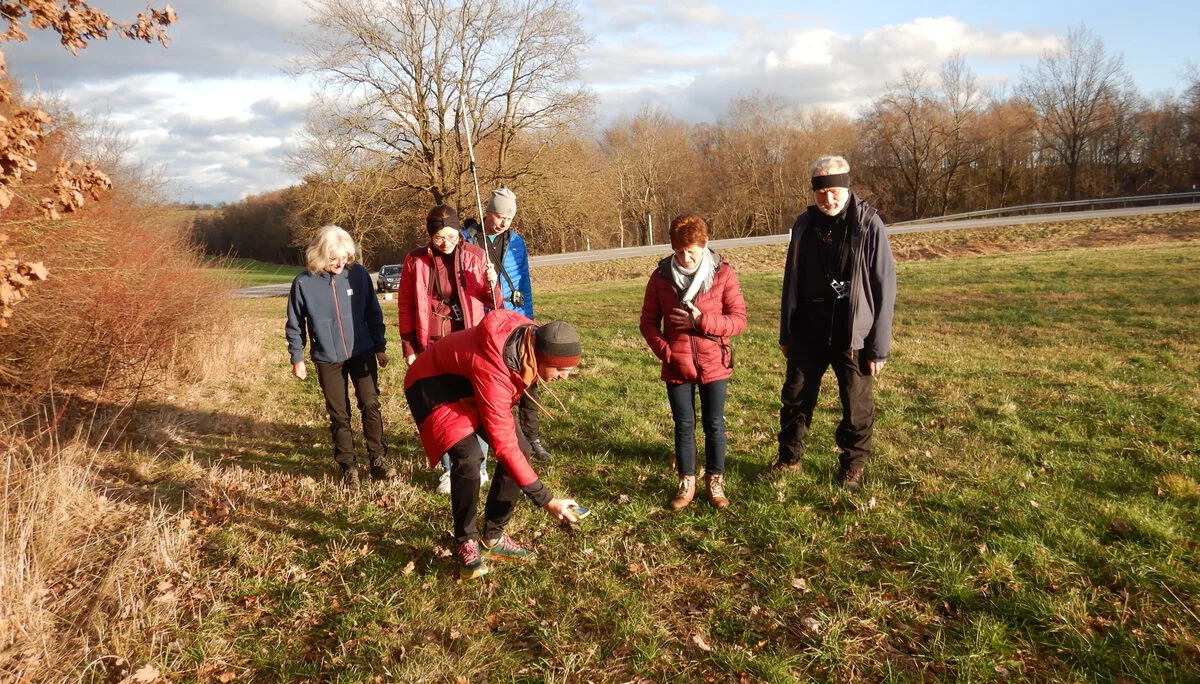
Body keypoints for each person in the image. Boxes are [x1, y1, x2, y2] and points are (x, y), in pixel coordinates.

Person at [404, 309, 584, 579]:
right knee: (469, 458)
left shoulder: (530, 343)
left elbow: (515, 436)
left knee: (522, 451)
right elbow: (503, 446)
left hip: (470, 384)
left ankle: (493, 538)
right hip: (433, 385)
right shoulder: (496, 369)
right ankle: (466, 541)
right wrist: (546, 500)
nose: (564, 377)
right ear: (542, 357)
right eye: (560, 369)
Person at [765, 155, 897, 489]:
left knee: (855, 404)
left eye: (834, 190)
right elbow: (790, 281)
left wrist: (878, 348)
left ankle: (853, 465)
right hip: (808, 328)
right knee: (795, 397)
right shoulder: (804, 225)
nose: (828, 198)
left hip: (853, 332)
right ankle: (789, 459)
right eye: (821, 192)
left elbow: (885, 285)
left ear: (846, 186)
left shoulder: (868, 223)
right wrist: (787, 332)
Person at [640, 214, 747, 510]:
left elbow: (738, 321)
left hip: (714, 362)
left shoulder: (723, 274)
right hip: (677, 365)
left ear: (705, 244)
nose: (685, 257)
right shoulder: (660, 278)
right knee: (683, 425)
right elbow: (648, 322)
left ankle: (715, 481)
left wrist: (703, 322)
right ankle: (686, 481)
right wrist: (667, 351)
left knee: (714, 424)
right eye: (679, 251)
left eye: (692, 250)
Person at [399, 204, 500, 493]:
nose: (446, 243)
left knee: (473, 402)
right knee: (443, 407)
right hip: (431, 344)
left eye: (452, 236)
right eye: (439, 238)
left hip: (469, 342)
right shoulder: (414, 261)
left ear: (459, 231)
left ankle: (478, 467)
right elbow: (406, 304)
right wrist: (409, 346)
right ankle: (450, 469)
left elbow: (494, 303)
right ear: (430, 236)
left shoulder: (476, 256)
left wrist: (492, 284)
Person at [286, 225, 396, 490]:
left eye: (344, 258)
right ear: (320, 255)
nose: (339, 263)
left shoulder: (357, 275)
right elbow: (295, 322)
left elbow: (373, 311)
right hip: (327, 356)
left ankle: (378, 458)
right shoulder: (304, 282)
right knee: (339, 414)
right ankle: (348, 466)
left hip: (362, 350)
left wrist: (380, 346)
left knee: (370, 403)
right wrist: (297, 356)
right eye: (333, 259)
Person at [463, 187, 553, 463]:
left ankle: (532, 438)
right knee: (490, 384)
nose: (504, 223)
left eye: (509, 219)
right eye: (500, 216)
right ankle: (487, 440)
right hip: (483, 322)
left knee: (527, 377)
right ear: (487, 212)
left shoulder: (517, 243)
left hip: (515, 320)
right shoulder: (468, 241)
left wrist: (528, 320)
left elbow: (524, 282)